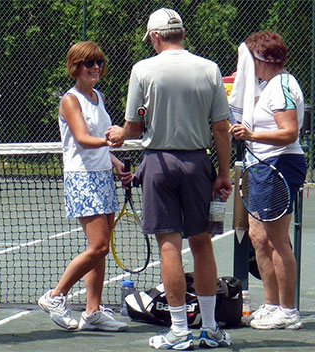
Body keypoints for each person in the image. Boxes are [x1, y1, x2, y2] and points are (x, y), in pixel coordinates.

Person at [106, 8, 232, 350]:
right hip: (197, 164)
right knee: (203, 243)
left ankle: (179, 332)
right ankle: (209, 329)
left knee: (169, 246)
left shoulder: (143, 70)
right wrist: (223, 173)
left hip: (159, 163)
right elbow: (220, 128)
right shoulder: (210, 69)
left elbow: (132, 128)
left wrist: (118, 132)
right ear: (182, 34)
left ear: (156, 37)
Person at [38, 41, 131, 332]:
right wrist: (112, 140)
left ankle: (92, 311)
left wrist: (114, 161)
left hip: (102, 175)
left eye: (98, 63)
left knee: (99, 248)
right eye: (88, 64)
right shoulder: (70, 99)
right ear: (75, 68)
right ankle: (55, 296)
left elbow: (99, 141)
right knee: (99, 246)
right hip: (82, 178)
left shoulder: (98, 96)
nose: (95, 68)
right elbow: (81, 138)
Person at [229, 31, 306, 330]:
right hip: (260, 165)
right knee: (259, 239)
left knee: (276, 240)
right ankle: (272, 305)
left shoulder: (282, 86)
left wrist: (252, 135)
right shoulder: (268, 86)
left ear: (260, 60)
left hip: (279, 164)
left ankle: (288, 310)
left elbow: (289, 132)